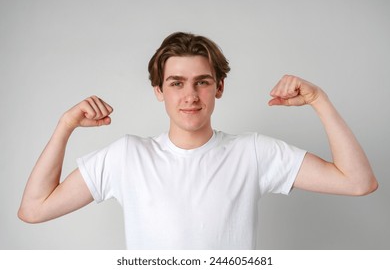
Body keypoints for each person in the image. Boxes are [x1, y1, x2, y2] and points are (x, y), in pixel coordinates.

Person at [18, 32, 378, 249]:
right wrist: (65, 125)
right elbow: (34, 210)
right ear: (159, 90)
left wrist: (319, 100)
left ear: (218, 87)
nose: (190, 95)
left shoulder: (252, 152)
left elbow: (358, 182)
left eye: (202, 81)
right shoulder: (127, 156)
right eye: (176, 83)